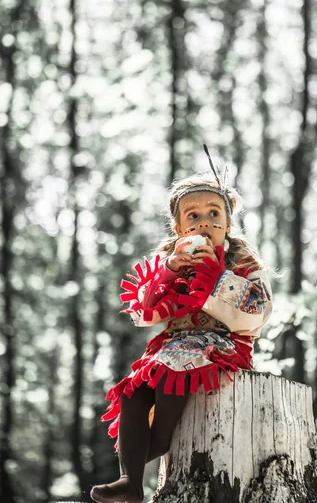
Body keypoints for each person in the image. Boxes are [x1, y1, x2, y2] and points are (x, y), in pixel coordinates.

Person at [90, 154, 273, 503]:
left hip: (221, 345)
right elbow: (144, 310)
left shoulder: (243, 262)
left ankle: (154, 444)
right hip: (169, 347)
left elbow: (257, 312)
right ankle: (129, 480)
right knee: (133, 391)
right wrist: (171, 270)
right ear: (178, 229)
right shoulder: (171, 260)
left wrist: (217, 277)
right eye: (193, 216)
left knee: (167, 382)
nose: (204, 221)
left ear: (228, 224)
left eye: (213, 214)